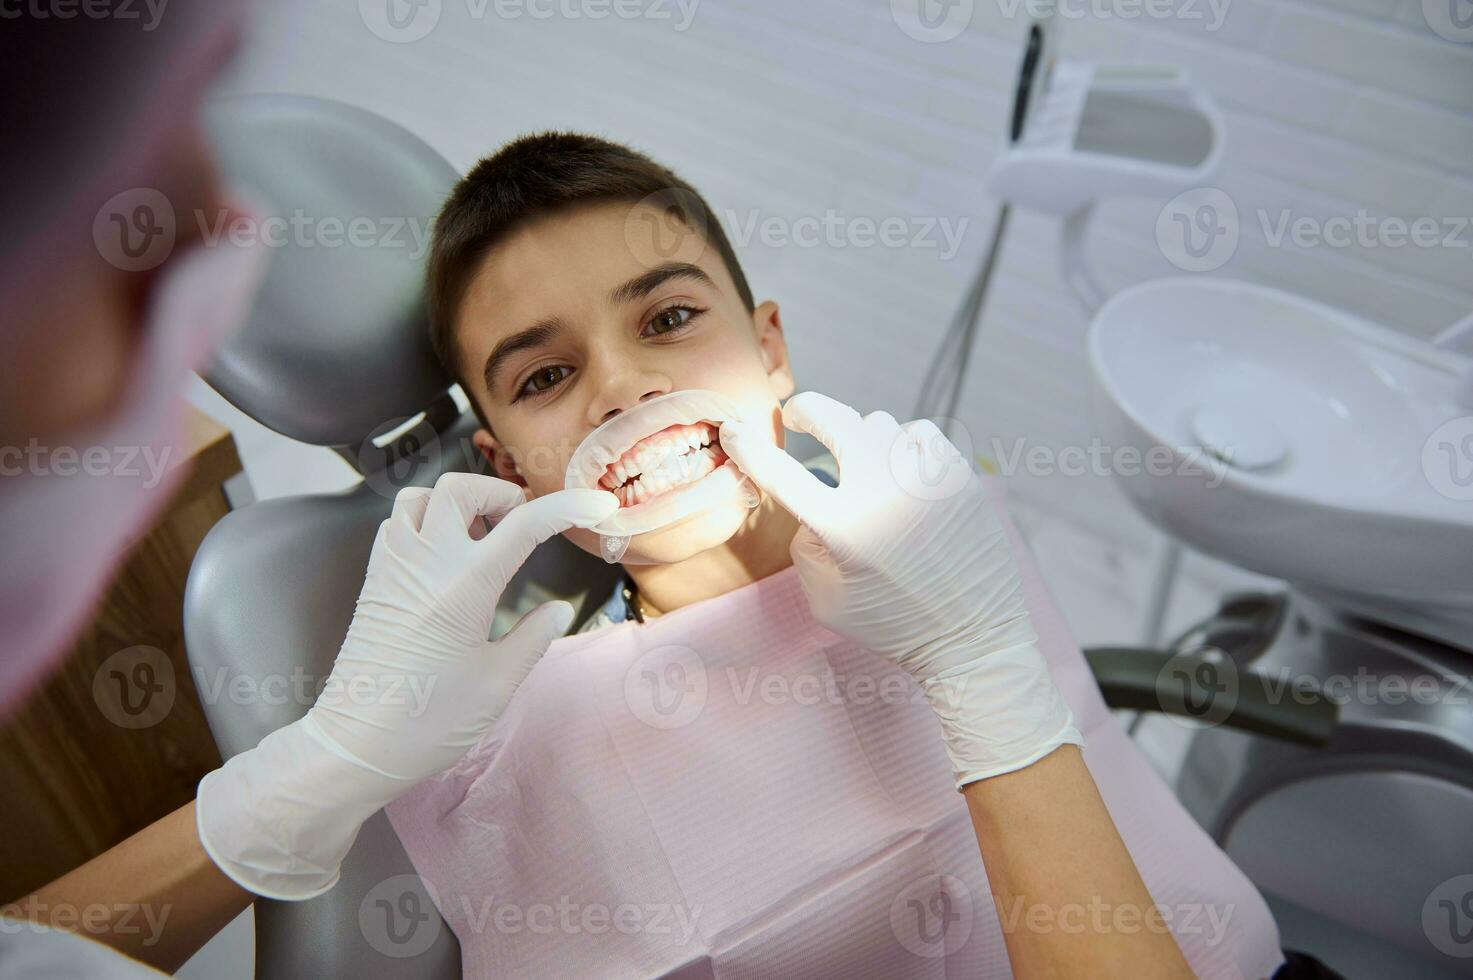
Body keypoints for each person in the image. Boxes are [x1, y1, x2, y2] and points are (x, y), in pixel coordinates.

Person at [0, 12, 1217, 980]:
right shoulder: (509, 749)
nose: (626, 384)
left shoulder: (953, 534)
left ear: (772, 347)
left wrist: (984, 666)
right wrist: (318, 768)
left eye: (671, 317)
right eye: (545, 373)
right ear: (506, 464)